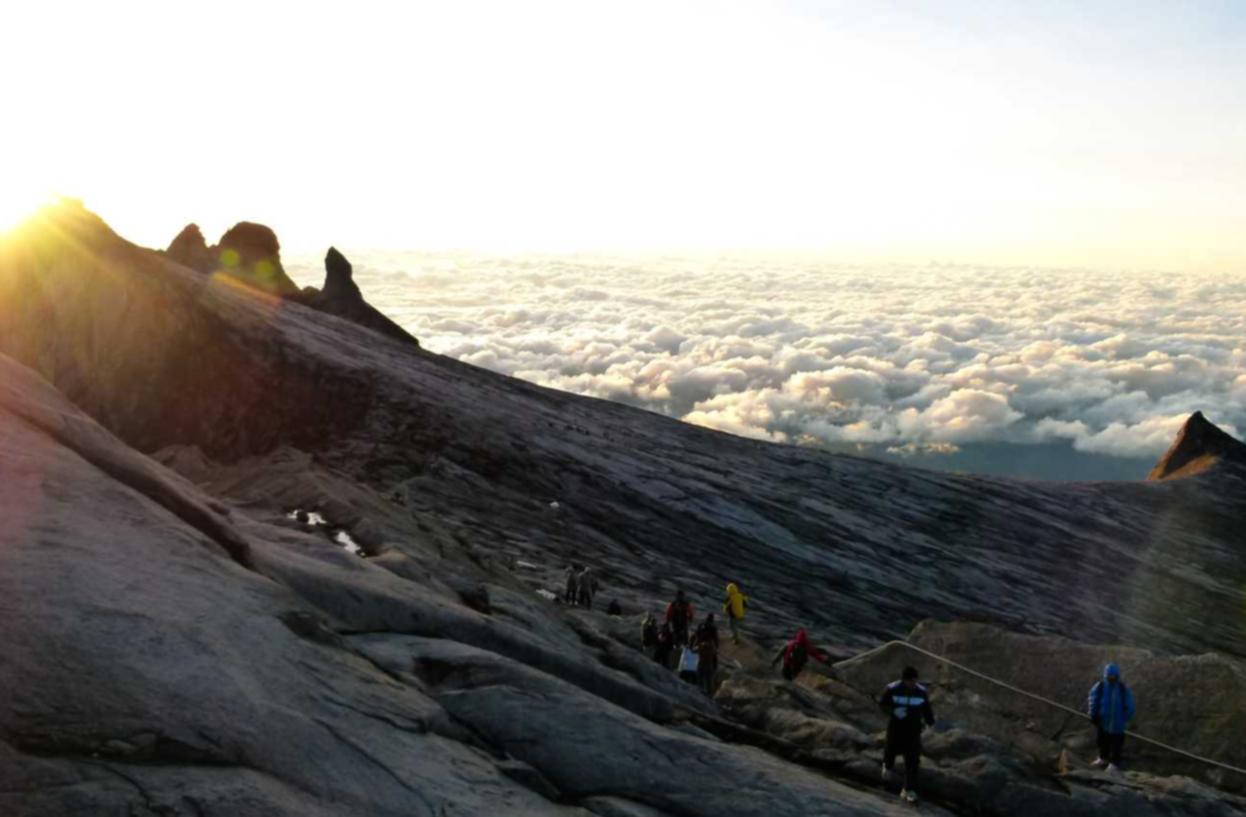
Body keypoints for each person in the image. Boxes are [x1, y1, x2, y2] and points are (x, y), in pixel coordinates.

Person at [879, 666, 935, 804]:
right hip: (896, 727)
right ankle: (887, 769)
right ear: (904, 680)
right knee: (890, 751)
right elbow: (883, 704)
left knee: (913, 759)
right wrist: (893, 711)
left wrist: (930, 722)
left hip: (913, 729)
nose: (913, 683)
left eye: (915, 681)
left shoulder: (921, 692)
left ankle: (909, 789)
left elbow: (926, 709)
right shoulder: (892, 689)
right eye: (910, 681)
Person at [1087, 662, 1136, 774]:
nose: (1111, 678)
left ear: (1117, 676)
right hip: (1103, 721)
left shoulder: (1123, 689)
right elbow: (1093, 701)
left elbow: (1130, 706)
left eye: (1113, 676)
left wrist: (1125, 719)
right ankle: (1102, 758)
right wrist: (1092, 714)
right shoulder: (1100, 687)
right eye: (1109, 676)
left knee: (1116, 744)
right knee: (1102, 741)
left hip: (1118, 723)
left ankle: (1114, 764)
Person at [695, 614, 720, 695]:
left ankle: (699, 688)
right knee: (709, 672)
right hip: (709, 648)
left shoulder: (701, 625)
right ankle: (709, 692)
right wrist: (716, 648)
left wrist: (697, 644)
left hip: (701, 647)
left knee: (700, 669)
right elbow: (716, 639)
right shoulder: (713, 628)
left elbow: (697, 634)